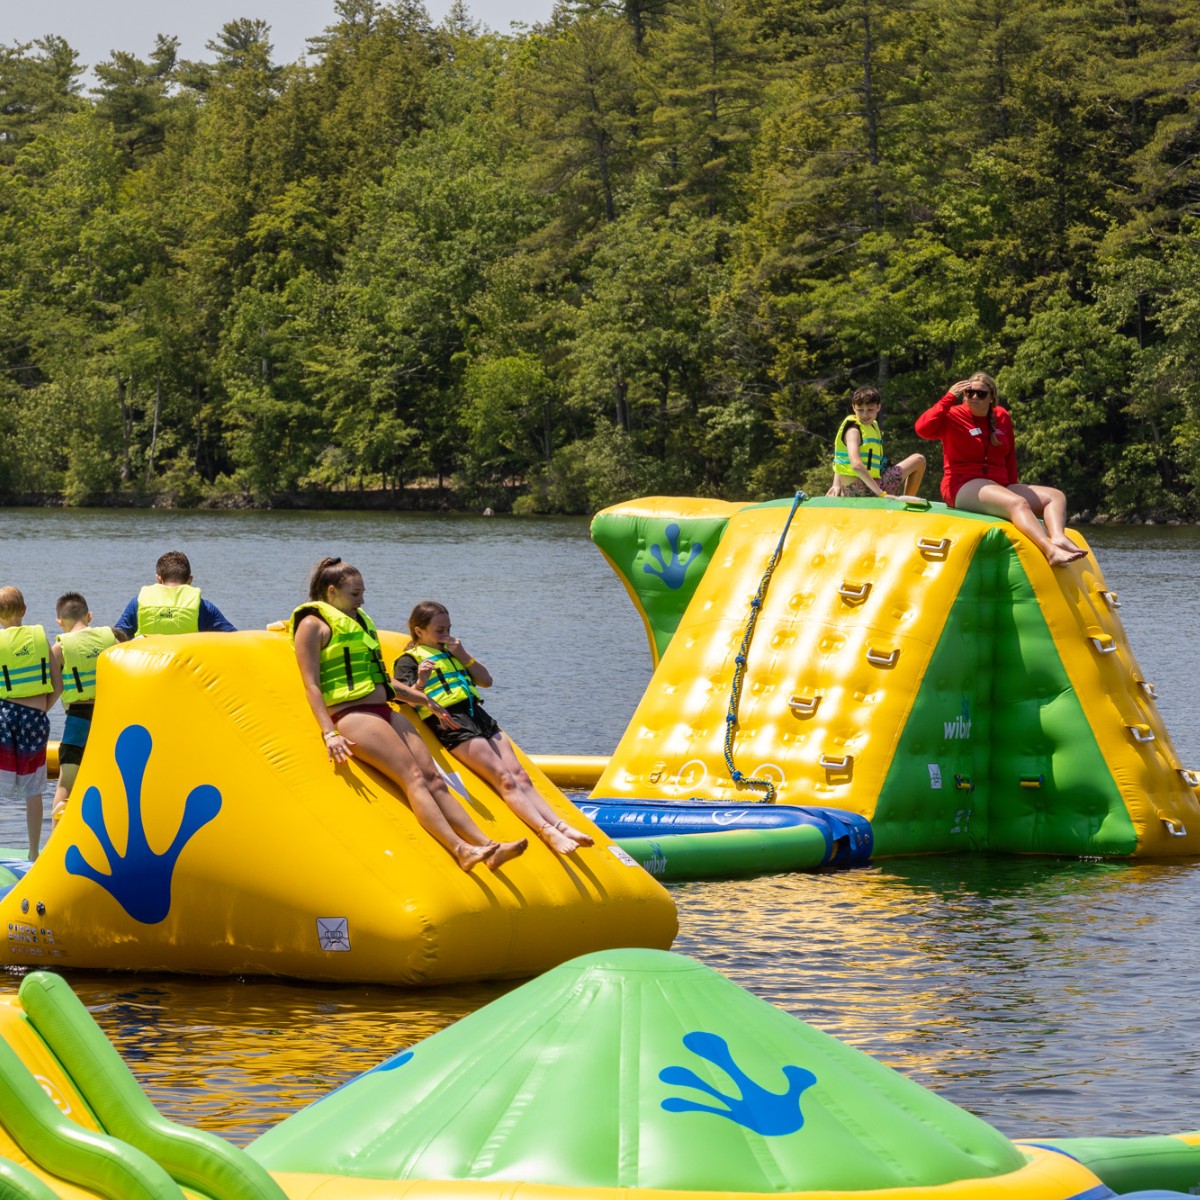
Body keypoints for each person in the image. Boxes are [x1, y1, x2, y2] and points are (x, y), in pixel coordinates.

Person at [291, 558, 527, 872]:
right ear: (331, 591)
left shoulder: (358, 621)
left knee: (434, 779)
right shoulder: (312, 625)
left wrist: (424, 700)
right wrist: (329, 732)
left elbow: (381, 680)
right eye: (355, 593)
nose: (362, 600)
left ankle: (487, 846)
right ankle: (460, 850)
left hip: (382, 708)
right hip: (351, 713)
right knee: (413, 778)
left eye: (363, 593)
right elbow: (311, 685)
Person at [395, 602, 595, 855]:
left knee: (520, 775)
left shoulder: (452, 652)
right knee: (504, 778)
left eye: (448, 628)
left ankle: (561, 825)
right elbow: (404, 696)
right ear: (419, 631)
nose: (446, 635)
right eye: (439, 630)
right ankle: (547, 831)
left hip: (477, 713)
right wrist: (422, 681)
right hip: (450, 720)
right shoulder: (408, 661)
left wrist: (464, 655)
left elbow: (486, 681)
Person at [915, 372, 1086, 567]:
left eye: (980, 394)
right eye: (969, 393)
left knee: (1055, 496)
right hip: (961, 485)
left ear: (991, 398)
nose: (974, 397)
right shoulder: (952, 416)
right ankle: (1050, 551)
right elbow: (922, 429)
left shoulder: (1001, 416)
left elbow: (1009, 457)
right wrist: (948, 397)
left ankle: (1058, 537)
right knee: (1017, 504)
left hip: (998, 485)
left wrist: (1012, 485)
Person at [0, 587, 63, 859]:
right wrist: (42, 710)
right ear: (24, 611)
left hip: (4, 717)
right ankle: (34, 852)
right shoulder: (40, 638)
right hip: (35, 718)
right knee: (34, 788)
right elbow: (58, 685)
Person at [48, 593, 118, 832]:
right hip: (109, 720)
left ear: (59, 621)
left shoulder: (60, 647)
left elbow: (51, 687)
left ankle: (55, 842)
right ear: (90, 616)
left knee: (66, 784)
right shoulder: (111, 638)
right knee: (109, 783)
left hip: (78, 719)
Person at [827, 386, 926, 498]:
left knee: (919, 459)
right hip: (859, 492)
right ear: (853, 408)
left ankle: (907, 503)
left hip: (876, 486)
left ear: (878, 407)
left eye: (870, 409)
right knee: (918, 459)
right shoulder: (853, 431)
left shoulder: (872, 426)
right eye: (860, 410)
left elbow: (842, 458)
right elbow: (855, 465)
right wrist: (881, 494)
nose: (865, 415)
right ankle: (897, 500)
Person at [113, 551, 237, 639]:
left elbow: (117, 636)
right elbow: (234, 637)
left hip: (148, 671)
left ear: (159, 579)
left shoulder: (138, 602)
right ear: (190, 580)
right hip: (186, 669)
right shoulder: (203, 607)